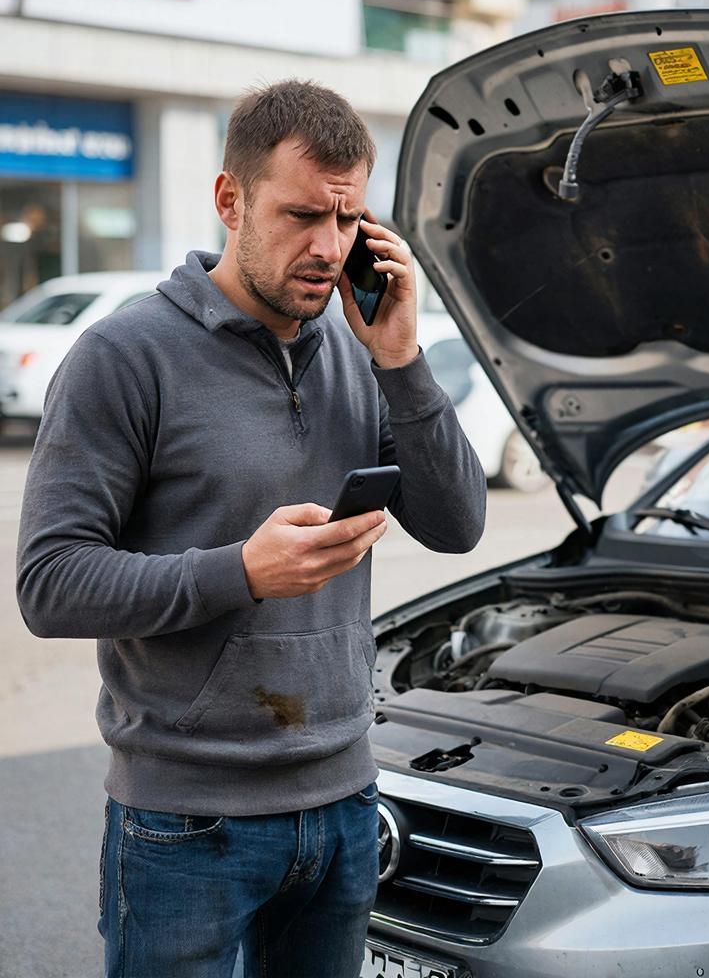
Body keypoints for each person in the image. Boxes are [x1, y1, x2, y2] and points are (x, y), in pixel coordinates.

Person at [16, 79, 487, 978]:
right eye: (301, 215)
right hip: (187, 820)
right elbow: (49, 584)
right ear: (230, 199)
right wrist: (243, 570)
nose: (327, 248)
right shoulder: (124, 358)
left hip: (347, 799)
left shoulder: (360, 347)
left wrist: (402, 358)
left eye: (348, 222)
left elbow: (459, 524)